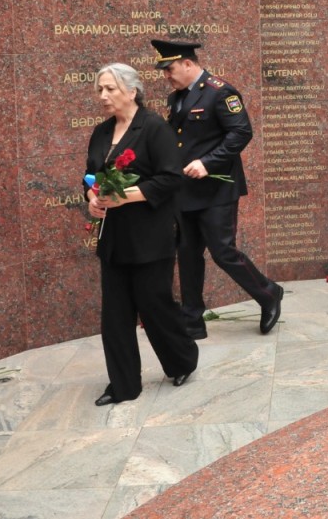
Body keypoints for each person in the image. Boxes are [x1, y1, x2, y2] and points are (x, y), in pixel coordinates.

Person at [85, 64, 198, 405]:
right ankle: (123, 385)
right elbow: (91, 176)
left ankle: (181, 360)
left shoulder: (153, 128)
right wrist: (92, 199)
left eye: (111, 89)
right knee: (115, 314)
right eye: (100, 90)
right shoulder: (101, 132)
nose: (103, 96)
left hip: (150, 236)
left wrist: (122, 197)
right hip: (113, 238)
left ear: (132, 91)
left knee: (155, 307)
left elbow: (169, 179)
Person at [154, 40, 283, 337]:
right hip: (184, 191)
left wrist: (207, 163)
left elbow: (241, 132)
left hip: (217, 190)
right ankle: (192, 320)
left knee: (223, 251)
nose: (167, 76)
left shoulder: (220, 92)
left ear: (188, 64)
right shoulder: (177, 98)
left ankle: (268, 294)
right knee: (187, 254)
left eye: (170, 69)